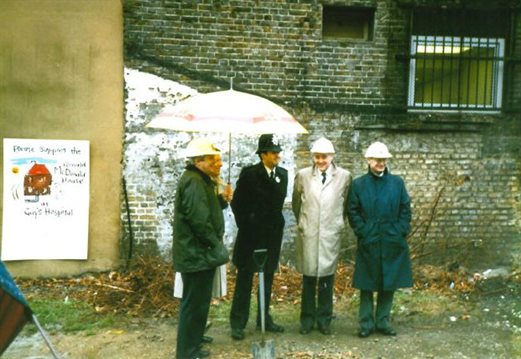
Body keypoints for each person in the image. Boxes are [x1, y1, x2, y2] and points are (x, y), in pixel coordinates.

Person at [173, 138, 232, 359]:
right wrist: (216, 247)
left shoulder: (204, 180)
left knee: (199, 303)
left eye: (219, 160)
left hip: (200, 254)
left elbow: (212, 209)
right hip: (196, 254)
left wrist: (223, 197)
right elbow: (199, 221)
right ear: (199, 161)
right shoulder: (193, 181)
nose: (220, 164)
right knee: (192, 305)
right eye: (214, 160)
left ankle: (194, 344)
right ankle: (187, 352)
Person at [346, 141, 413, 338]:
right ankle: (366, 324)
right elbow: (353, 210)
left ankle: (383, 321)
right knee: (367, 283)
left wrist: (399, 230)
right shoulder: (358, 184)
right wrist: (363, 231)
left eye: (384, 159)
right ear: (368, 160)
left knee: (388, 282)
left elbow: (405, 209)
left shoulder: (397, 183)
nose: (381, 163)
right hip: (370, 240)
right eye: (377, 159)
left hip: (392, 240)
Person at [229, 134, 288, 341]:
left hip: (271, 235)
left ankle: (264, 318)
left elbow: (277, 203)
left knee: (268, 277)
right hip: (251, 236)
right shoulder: (250, 174)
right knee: (245, 278)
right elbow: (237, 204)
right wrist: (247, 223)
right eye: (273, 152)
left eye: (278, 152)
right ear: (263, 155)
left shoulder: (282, 174)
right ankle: (238, 322)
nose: (277, 156)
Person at [292, 137, 352, 335]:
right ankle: (307, 320)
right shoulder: (303, 175)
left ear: (332, 156)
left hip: (329, 233)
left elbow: (345, 206)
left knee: (327, 276)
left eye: (324, 157)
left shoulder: (344, 176)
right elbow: (296, 204)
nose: (320, 161)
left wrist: (336, 222)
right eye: (316, 157)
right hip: (309, 231)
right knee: (309, 277)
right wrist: (304, 222)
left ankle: (324, 319)